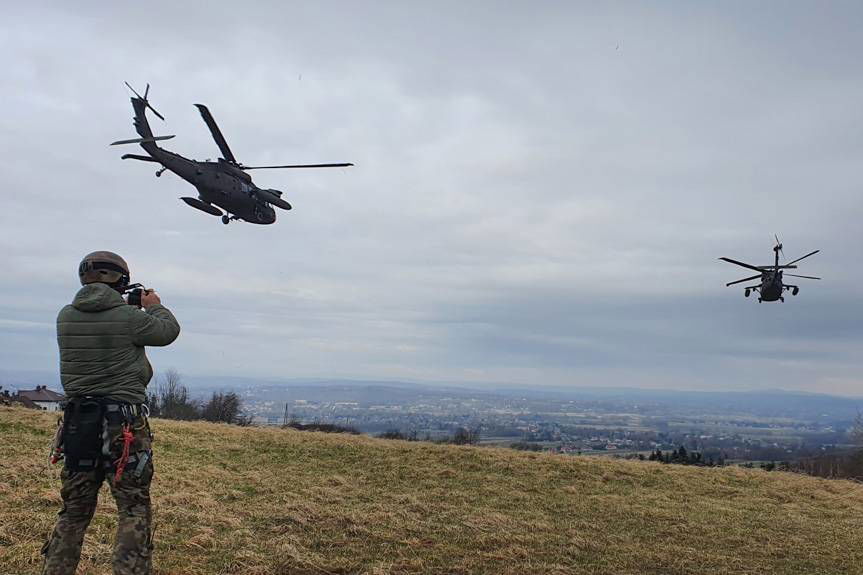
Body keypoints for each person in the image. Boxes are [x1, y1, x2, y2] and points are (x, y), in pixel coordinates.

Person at [42, 251, 180, 575]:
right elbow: (168, 331)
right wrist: (153, 305)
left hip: (78, 425)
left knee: (74, 511)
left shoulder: (65, 316)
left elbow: (104, 323)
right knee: (133, 508)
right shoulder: (130, 318)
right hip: (124, 426)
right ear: (121, 280)